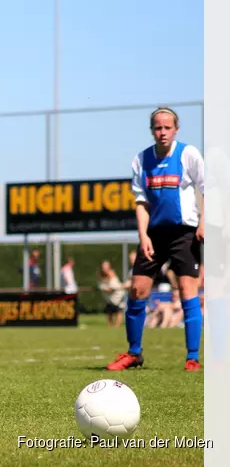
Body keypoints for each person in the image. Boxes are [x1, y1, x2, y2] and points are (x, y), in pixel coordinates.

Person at [106, 107, 204, 372]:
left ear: (176, 129)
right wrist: (143, 236)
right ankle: (134, 354)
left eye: (167, 127)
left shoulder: (188, 154)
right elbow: (141, 202)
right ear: (152, 130)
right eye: (158, 128)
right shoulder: (141, 160)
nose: (162, 132)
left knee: (187, 292)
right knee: (137, 290)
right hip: (154, 235)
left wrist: (203, 224)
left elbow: (207, 189)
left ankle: (192, 357)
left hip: (185, 232)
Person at [97, 261, 126, 328]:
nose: (105, 268)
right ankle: (110, 326)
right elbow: (100, 285)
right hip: (109, 297)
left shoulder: (112, 273)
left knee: (119, 311)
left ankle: (117, 326)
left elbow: (114, 285)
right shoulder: (100, 274)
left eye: (106, 266)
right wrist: (104, 288)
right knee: (109, 312)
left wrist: (109, 288)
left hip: (118, 295)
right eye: (104, 266)